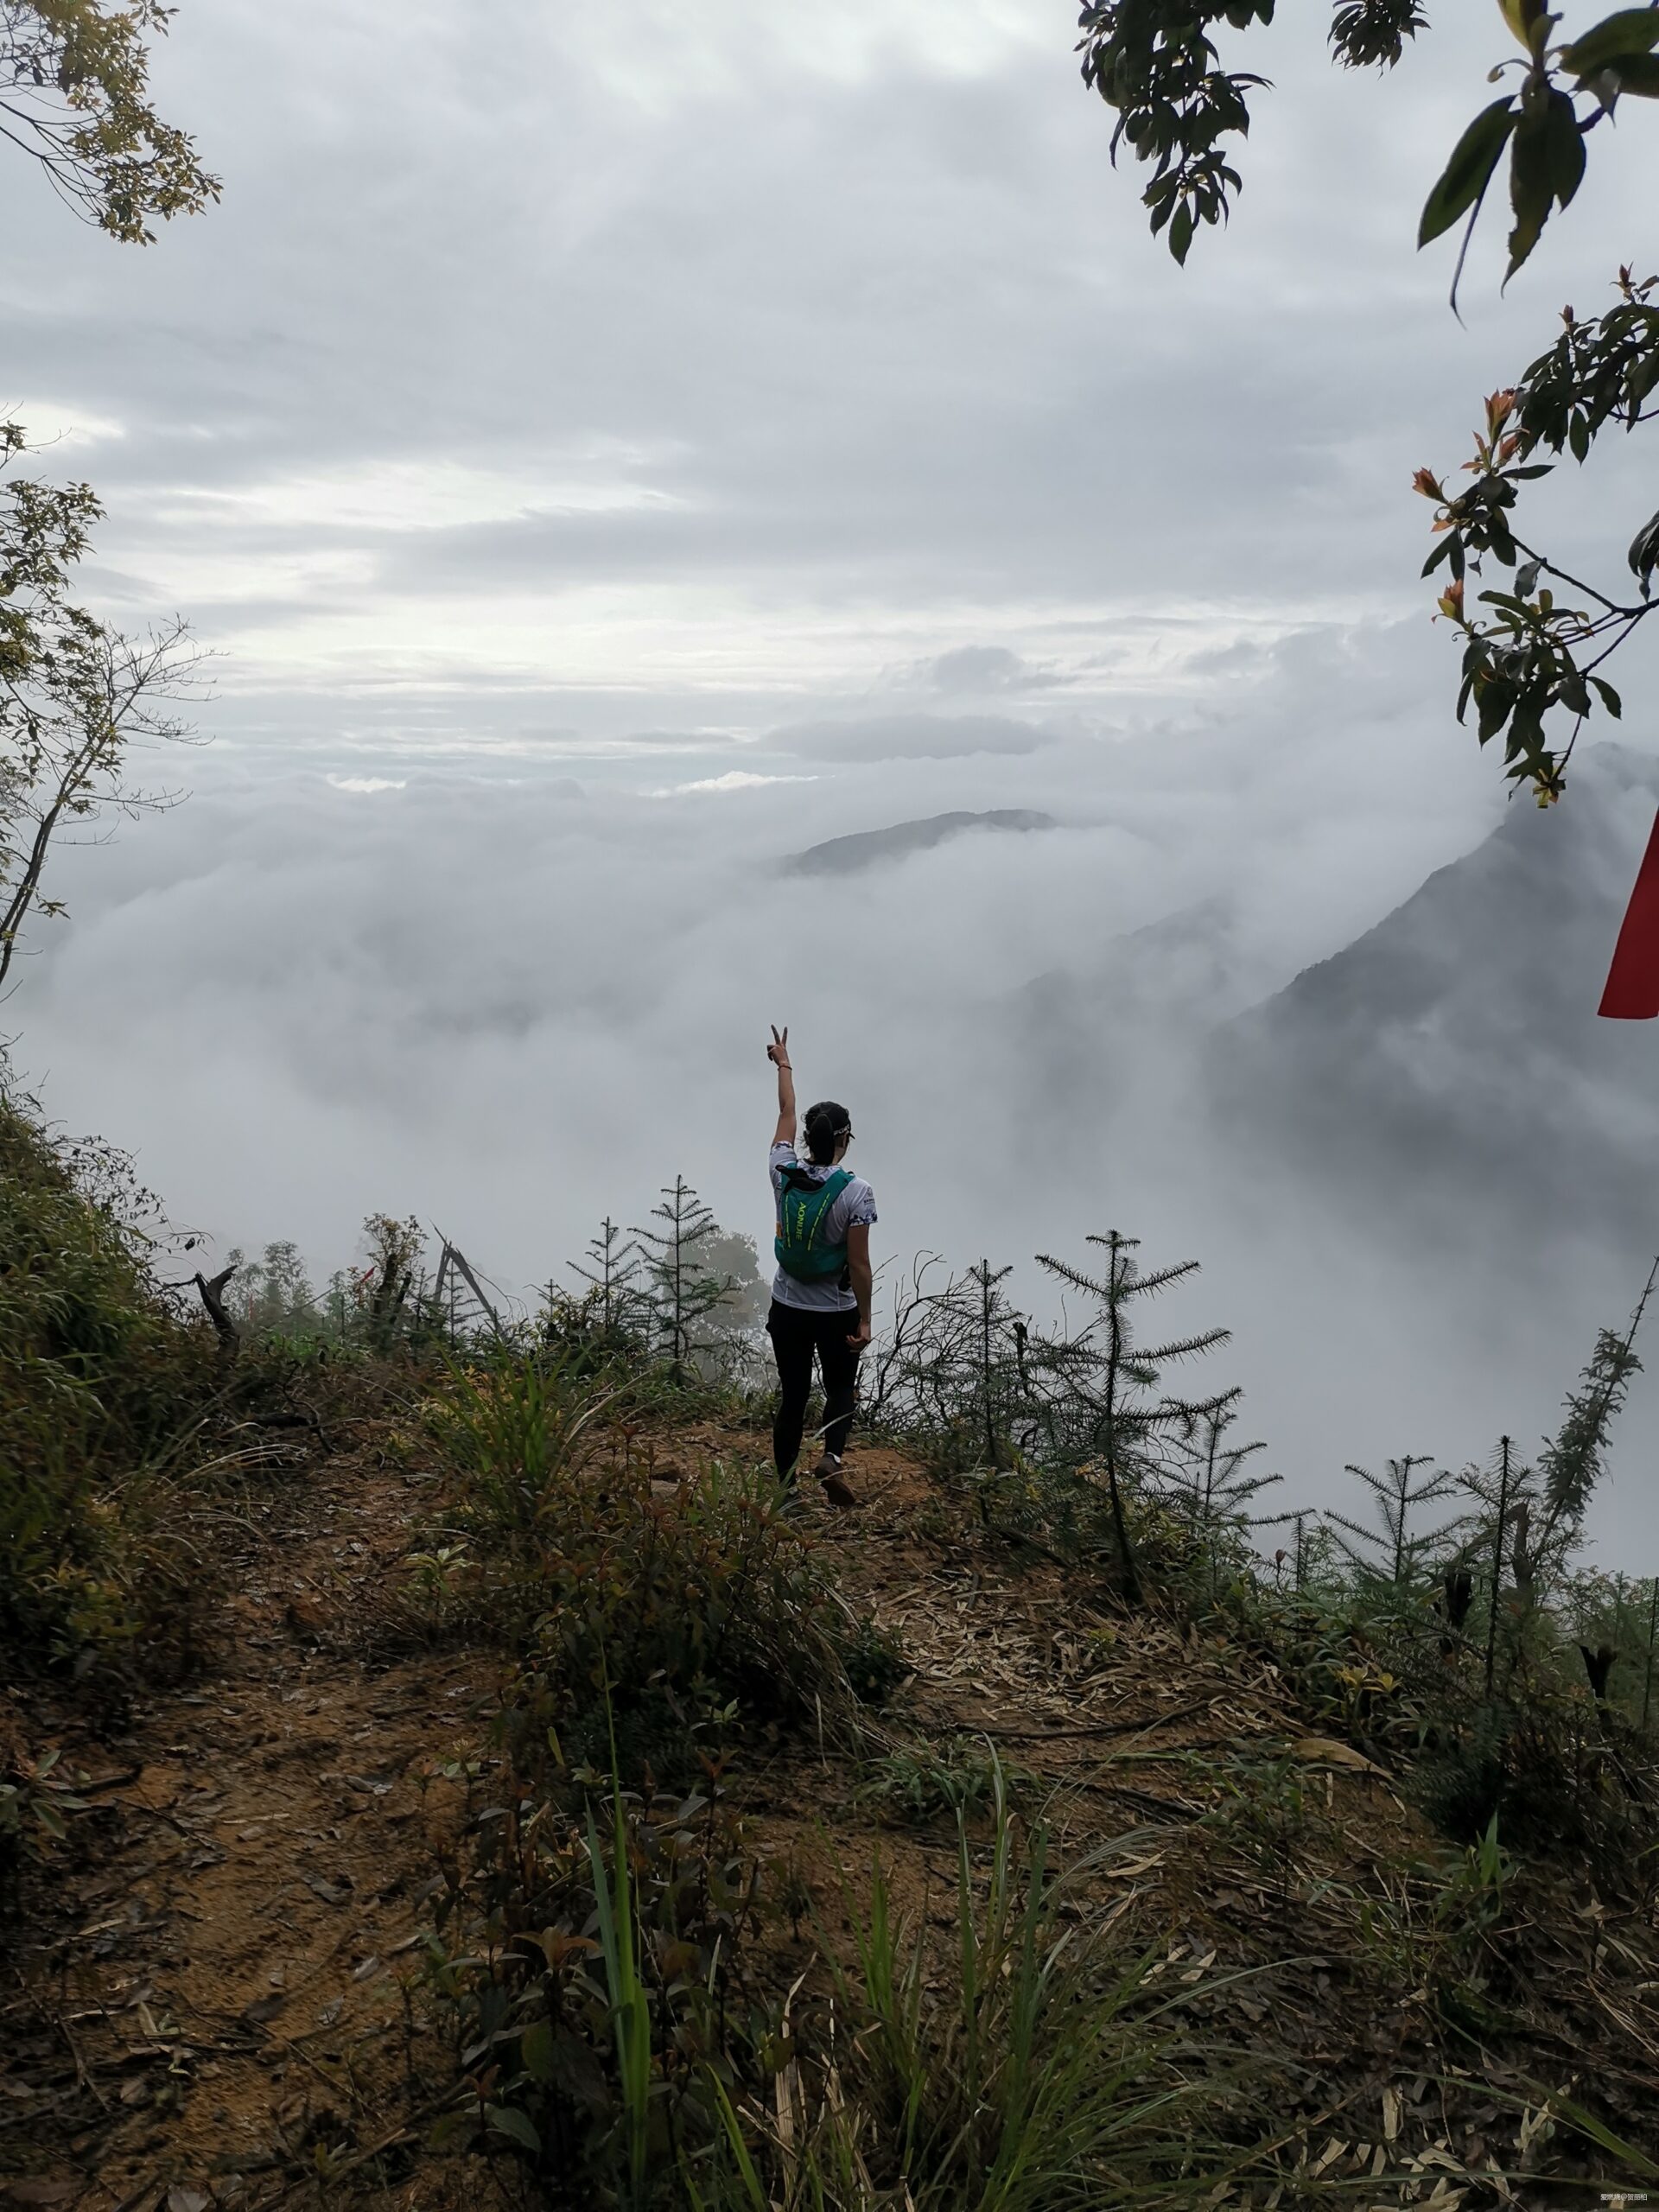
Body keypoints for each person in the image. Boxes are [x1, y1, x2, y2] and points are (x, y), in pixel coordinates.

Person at [765, 1024, 874, 1508]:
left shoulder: (782, 1170)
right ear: (845, 1139)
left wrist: (784, 1062)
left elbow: (786, 1111)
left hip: (787, 1304)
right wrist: (866, 1319)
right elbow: (860, 1265)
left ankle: (785, 1494)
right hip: (835, 1310)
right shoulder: (856, 1192)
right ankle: (831, 1456)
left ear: (807, 1139)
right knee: (840, 1389)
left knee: (793, 1398)